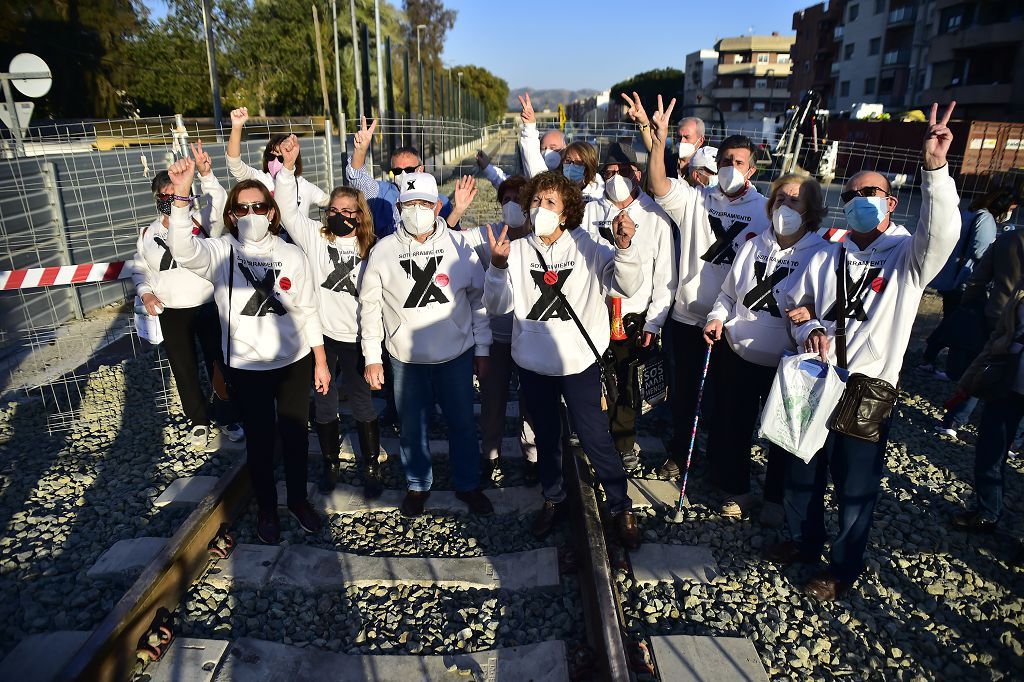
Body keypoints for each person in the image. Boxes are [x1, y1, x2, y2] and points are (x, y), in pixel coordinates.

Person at [765, 102, 960, 601]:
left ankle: (843, 568)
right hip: (816, 377)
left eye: (869, 193)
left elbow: (942, 233)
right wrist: (806, 323)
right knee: (803, 465)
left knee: (855, 487)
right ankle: (803, 541)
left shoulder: (907, 256)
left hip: (867, 386)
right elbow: (795, 299)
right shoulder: (830, 250)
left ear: (891, 203)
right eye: (851, 195)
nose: (858, 201)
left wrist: (935, 169)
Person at [166, 157, 331, 545]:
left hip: (292, 362)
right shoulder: (222, 252)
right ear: (232, 214)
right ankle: (268, 510)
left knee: (293, 437)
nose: (251, 214)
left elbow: (307, 309)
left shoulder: (292, 254)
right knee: (259, 442)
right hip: (247, 366)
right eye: (242, 208)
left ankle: (298, 501)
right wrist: (180, 198)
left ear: (272, 212)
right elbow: (183, 250)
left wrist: (320, 361)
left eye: (259, 207)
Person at [483, 171, 643, 548]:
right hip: (534, 365)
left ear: (568, 211)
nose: (541, 209)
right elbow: (497, 306)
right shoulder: (518, 250)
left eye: (550, 203)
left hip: (578, 364)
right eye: (536, 202)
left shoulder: (587, 246)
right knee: (547, 437)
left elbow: (626, 285)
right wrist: (497, 267)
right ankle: (554, 498)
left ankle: (620, 505)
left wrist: (625, 247)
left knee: (594, 437)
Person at [646, 95, 771, 480]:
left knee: (727, 402)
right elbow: (658, 184)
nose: (731, 168)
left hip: (733, 324)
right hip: (687, 317)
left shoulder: (765, 210)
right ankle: (680, 453)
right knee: (684, 396)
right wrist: (659, 141)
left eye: (738, 163)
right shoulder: (696, 200)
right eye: (725, 162)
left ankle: (724, 467)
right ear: (715, 166)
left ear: (750, 169)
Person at [358, 172, 493, 518]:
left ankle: (467, 484)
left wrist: (482, 349)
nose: (417, 210)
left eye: (424, 204)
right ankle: (417, 484)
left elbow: (478, 300)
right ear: (399, 206)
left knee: (462, 423)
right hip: (406, 360)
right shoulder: (383, 251)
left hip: (456, 356)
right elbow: (370, 308)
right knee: (411, 427)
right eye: (409, 204)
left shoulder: (460, 246)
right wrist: (372, 358)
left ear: (437, 206)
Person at [702, 173, 829, 526]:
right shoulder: (752, 245)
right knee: (735, 424)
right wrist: (715, 317)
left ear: (811, 210)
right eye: (779, 199)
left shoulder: (822, 255)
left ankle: (775, 497)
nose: (783, 206)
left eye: (794, 200)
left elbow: (824, 310)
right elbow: (728, 295)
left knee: (782, 432)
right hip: (739, 353)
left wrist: (814, 325)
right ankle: (737, 489)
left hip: (787, 362)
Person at [274, 134, 383, 499]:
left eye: (346, 211)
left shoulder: (372, 247)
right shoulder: (315, 237)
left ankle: (370, 464)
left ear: (359, 214)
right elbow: (288, 211)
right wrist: (288, 168)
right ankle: (330, 463)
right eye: (332, 210)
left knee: (363, 400)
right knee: (324, 401)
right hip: (322, 337)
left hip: (356, 337)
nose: (337, 215)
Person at [133, 142, 244, 452]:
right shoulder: (146, 234)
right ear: (157, 199)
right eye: (165, 196)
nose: (171, 200)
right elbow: (140, 269)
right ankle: (198, 420)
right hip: (172, 310)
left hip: (208, 304)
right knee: (183, 367)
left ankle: (227, 416)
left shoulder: (200, 221)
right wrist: (145, 294)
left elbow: (220, 200)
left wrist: (206, 174)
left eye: (176, 194)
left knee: (219, 364)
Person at [582, 142, 676, 471]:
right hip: (593, 310)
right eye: (607, 173)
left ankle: (623, 441)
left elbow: (666, 278)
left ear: (636, 173)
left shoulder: (655, 217)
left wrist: (654, 321)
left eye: (621, 172)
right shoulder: (590, 210)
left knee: (625, 381)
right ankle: (590, 437)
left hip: (632, 316)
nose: (615, 178)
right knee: (591, 378)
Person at [457, 174, 541, 484]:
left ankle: (532, 457)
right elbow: (450, 238)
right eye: (506, 200)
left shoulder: (540, 238)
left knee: (531, 401)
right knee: (492, 400)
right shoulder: (488, 233)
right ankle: (489, 456)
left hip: (530, 336)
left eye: (519, 199)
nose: (512, 205)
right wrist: (457, 210)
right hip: (495, 337)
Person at [935, 203, 1024, 438]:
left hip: (997, 312)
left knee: (985, 365)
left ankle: (954, 420)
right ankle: (1014, 439)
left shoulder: (1006, 241)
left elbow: (977, 280)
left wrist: (971, 305)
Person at [952, 281, 1024, 532]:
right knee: (990, 451)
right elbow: (999, 335)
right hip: (1006, 382)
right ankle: (988, 512)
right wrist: (971, 377)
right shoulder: (1022, 288)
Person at [920, 188, 1008, 378]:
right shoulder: (986, 219)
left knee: (951, 320)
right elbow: (980, 251)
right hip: (965, 280)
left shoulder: (969, 213)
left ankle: (931, 357)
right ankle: (945, 364)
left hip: (950, 276)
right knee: (957, 324)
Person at [346, 117, 466, 237]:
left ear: (421, 169)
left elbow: (450, 235)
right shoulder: (380, 193)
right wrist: (360, 151)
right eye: (397, 170)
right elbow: (357, 178)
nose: (403, 174)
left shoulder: (440, 201)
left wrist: (457, 211)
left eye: (409, 169)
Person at [226, 107, 329, 217]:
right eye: (271, 156)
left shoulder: (304, 186)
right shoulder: (259, 180)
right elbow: (235, 164)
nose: (275, 161)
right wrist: (236, 127)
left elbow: (331, 203)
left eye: (281, 158)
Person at [517, 93, 605, 202]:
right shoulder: (556, 186)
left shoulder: (599, 190)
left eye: (579, 162)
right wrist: (529, 127)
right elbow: (534, 166)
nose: (572, 166)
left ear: (589, 165)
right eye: (568, 161)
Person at [621, 91, 706, 180]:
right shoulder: (670, 161)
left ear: (701, 140)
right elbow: (654, 147)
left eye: (686, 137)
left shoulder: (707, 167)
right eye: (679, 137)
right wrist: (643, 123)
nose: (681, 141)